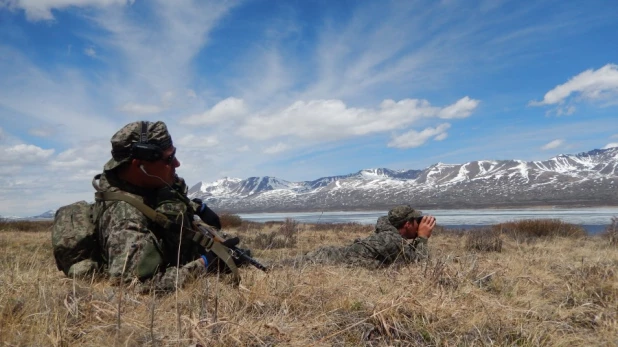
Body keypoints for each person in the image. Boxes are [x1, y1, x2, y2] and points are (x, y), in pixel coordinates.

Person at [91, 120, 231, 292]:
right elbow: (138, 286)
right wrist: (206, 263)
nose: (177, 164)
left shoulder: (145, 184)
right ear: (138, 166)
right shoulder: (126, 218)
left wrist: (197, 208)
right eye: (169, 158)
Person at [284, 205, 435, 268]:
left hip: (327, 256)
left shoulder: (389, 236)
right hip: (325, 261)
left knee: (283, 265)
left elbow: (408, 256)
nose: (420, 224)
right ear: (407, 224)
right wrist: (422, 238)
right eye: (417, 221)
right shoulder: (391, 240)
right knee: (278, 268)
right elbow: (418, 266)